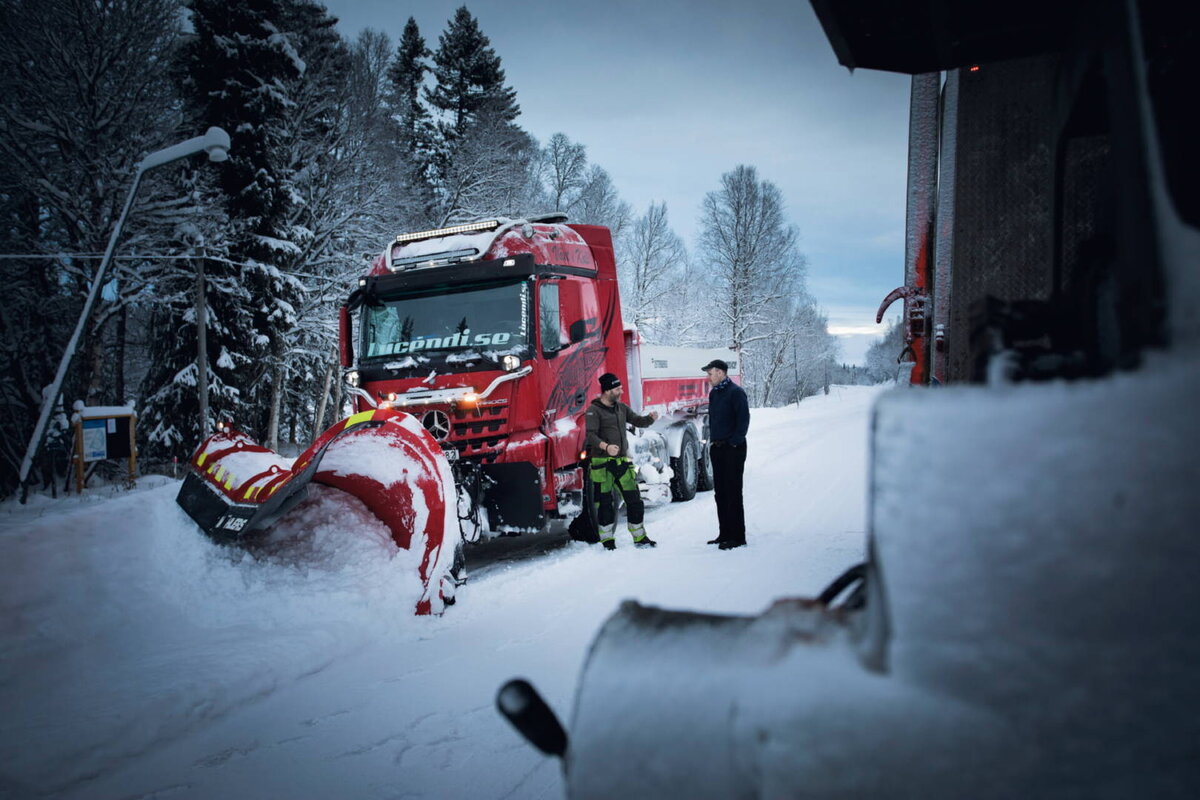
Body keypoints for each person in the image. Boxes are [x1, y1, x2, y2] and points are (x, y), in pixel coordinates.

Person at [584, 372, 659, 550]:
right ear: (608, 390)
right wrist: (605, 447)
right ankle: (607, 541)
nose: (621, 391)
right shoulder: (593, 410)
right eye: (618, 388)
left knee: (634, 501)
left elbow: (638, 421)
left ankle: (640, 538)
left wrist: (650, 419)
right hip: (602, 465)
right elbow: (590, 435)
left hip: (622, 463)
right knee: (605, 504)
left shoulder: (621, 408)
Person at [702, 359, 750, 549]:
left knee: (733, 492)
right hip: (717, 448)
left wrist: (734, 442)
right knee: (720, 493)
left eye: (710, 373)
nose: (708, 377)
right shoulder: (715, 393)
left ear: (720, 373)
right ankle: (724, 533)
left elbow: (744, 420)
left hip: (733, 449)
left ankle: (738, 537)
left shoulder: (736, 393)